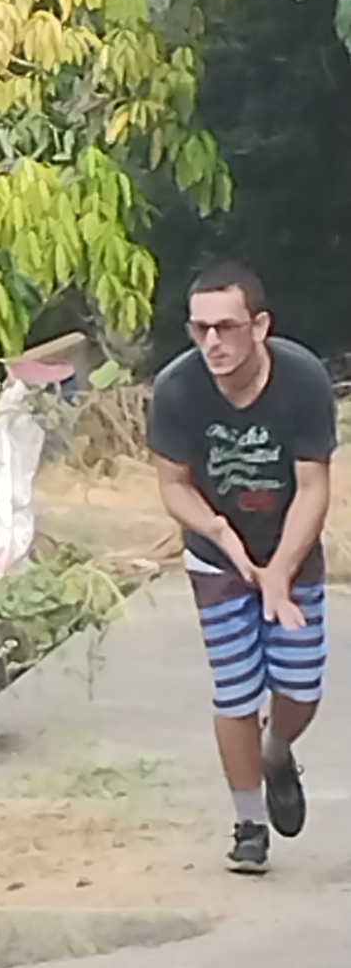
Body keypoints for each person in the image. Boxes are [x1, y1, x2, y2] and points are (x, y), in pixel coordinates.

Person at [148, 262, 336, 874]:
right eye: (200, 328)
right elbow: (173, 484)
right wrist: (220, 534)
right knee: (234, 687)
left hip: (291, 547)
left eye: (226, 327)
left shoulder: (302, 380)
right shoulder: (178, 388)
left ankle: (277, 751)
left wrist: (280, 569)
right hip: (215, 557)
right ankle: (248, 821)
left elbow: (313, 487)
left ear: (259, 325)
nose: (212, 343)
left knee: (300, 685)